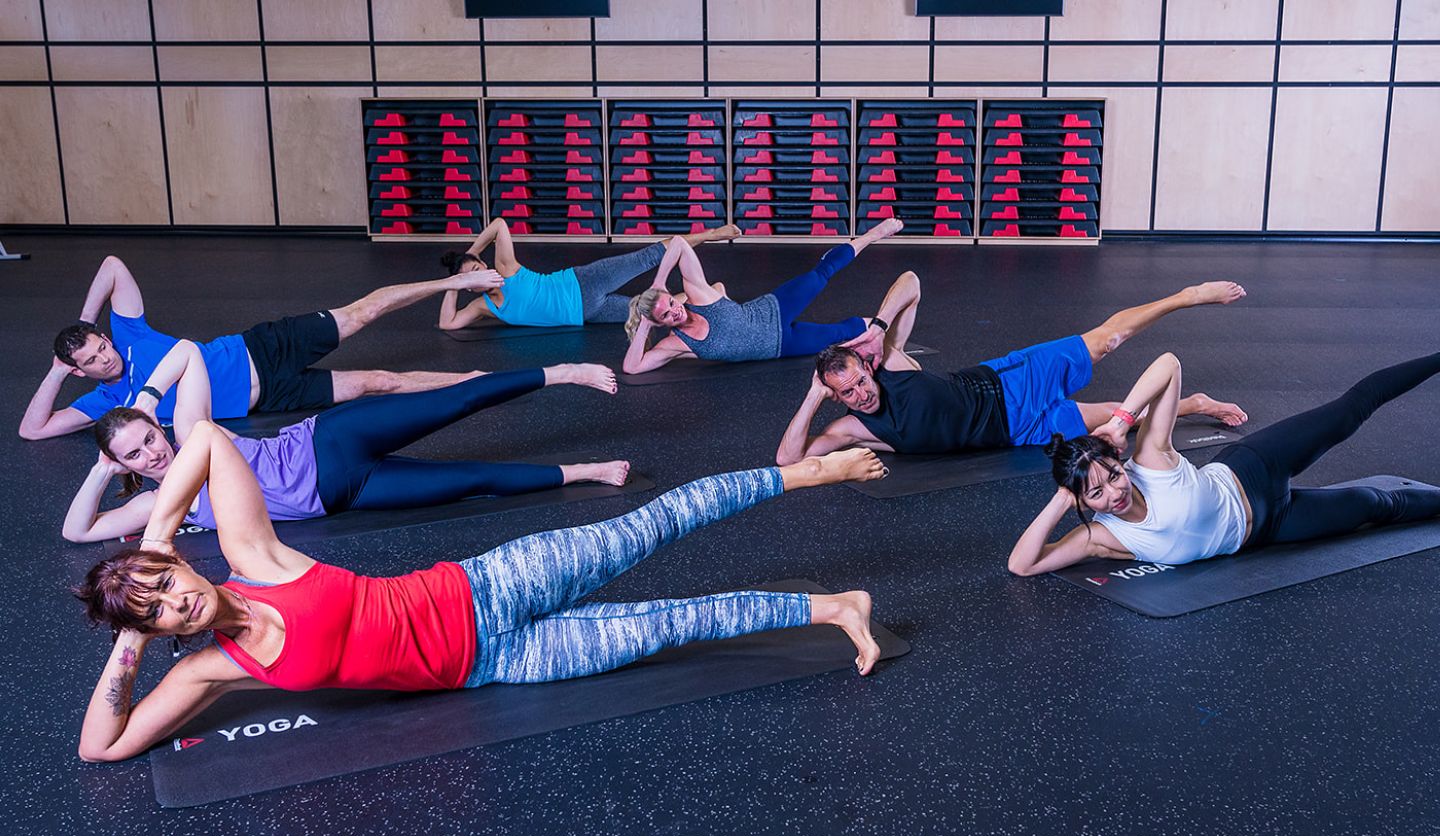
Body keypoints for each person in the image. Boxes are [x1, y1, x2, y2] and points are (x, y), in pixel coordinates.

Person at [73, 437, 889, 763]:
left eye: (170, 583)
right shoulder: (213, 668)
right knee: (677, 625)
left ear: (180, 564)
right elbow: (101, 748)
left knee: (659, 521)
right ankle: (836, 608)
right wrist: (129, 638)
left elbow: (210, 440)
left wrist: (158, 537)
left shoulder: (254, 556)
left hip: (493, 583)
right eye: (161, 610)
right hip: (501, 662)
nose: (179, 601)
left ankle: (810, 470)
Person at [62, 338, 627, 543]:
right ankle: (584, 471)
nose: (152, 453)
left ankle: (562, 372)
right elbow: (77, 531)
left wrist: (149, 399)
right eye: (134, 454)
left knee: (458, 399)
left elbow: (186, 350)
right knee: (471, 482)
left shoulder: (188, 432)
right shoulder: (155, 504)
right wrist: (100, 468)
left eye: (147, 440)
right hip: (347, 491)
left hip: (329, 441)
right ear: (121, 464)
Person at [1007, 351, 1440, 575]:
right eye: (1096, 494)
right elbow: (1022, 565)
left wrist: (1122, 421)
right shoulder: (1100, 537)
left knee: (1351, 411)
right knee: (1376, 506)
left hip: (1253, 468)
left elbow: (1169, 363)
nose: (1116, 493)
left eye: (1114, 477)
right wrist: (1063, 501)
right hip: (1271, 528)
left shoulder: (1150, 459)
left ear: (1121, 460)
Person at [776, 273, 1249, 465]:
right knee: (1115, 417)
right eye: (848, 391)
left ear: (866, 364)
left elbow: (912, 283)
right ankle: (1194, 403)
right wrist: (814, 395)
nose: (861, 392)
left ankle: (1185, 296)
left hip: (1009, 382)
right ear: (836, 396)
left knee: (1107, 340)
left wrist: (879, 327)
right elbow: (788, 460)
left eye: (860, 379)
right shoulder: (852, 427)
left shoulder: (892, 362)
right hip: (1017, 431)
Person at [21, 255, 501, 440]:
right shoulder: (102, 401)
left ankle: (453, 281)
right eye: (92, 360)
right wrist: (58, 370)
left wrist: (83, 323)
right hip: (270, 397)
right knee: (375, 383)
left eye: (100, 345)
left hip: (260, 349)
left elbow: (112, 267)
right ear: (80, 371)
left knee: (361, 313)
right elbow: (32, 430)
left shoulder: (128, 333)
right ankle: (474, 383)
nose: (106, 356)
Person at [621, 218, 906, 374]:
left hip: (774, 309)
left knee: (821, 275)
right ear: (660, 323)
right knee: (845, 333)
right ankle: (889, 331)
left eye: (671, 303)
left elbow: (680, 244)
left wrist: (658, 282)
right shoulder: (676, 344)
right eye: (666, 315)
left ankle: (872, 234)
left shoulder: (698, 296)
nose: (675, 311)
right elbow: (632, 367)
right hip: (782, 345)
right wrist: (645, 323)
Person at [437, 217, 740, 330]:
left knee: (649, 256)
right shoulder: (483, 306)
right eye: (472, 277)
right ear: (468, 286)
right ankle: (709, 291)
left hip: (583, 281)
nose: (481, 273)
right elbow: (447, 323)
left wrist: (473, 252)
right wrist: (454, 283)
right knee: (650, 313)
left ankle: (710, 233)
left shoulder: (505, 269)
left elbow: (499, 224)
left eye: (479, 267)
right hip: (586, 314)